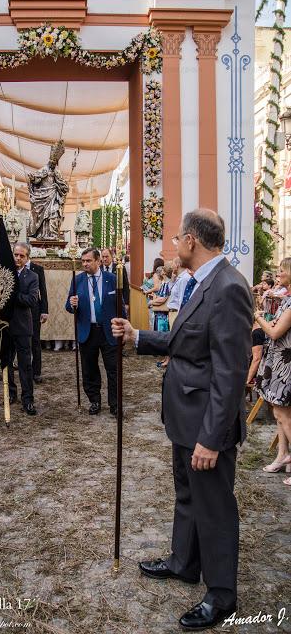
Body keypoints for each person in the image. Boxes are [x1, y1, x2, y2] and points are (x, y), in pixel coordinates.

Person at [112, 209, 253, 631]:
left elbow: (230, 373)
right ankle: (184, 562)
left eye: (176, 239)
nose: (173, 246)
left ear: (192, 240)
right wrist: (138, 337)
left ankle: (221, 594)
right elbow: (184, 342)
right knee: (187, 495)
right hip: (185, 418)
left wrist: (212, 438)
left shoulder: (228, 287)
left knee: (214, 507)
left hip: (207, 424)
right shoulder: (198, 282)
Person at [66, 247, 123, 416]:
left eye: (88, 261)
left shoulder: (112, 279)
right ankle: (94, 401)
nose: (85, 264)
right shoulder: (78, 280)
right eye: (83, 261)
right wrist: (72, 303)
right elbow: (69, 306)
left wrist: (123, 328)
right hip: (87, 331)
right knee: (89, 369)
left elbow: (120, 305)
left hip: (109, 330)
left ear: (98, 261)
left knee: (113, 369)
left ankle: (115, 404)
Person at [254, 257, 291, 485]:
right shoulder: (286, 299)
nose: (277, 274)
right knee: (279, 414)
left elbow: (276, 333)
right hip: (277, 361)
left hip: (285, 365)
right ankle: (282, 456)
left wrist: (258, 318)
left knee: (284, 414)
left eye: (281, 271)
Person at [6, 243, 39, 415]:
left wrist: (12, 295)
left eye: (21, 256)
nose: (18, 258)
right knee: (6, 363)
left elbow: (31, 300)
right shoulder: (4, 273)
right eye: (16, 255)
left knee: (25, 365)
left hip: (23, 326)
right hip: (5, 326)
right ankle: (10, 393)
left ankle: (28, 399)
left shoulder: (32, 276)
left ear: (27, 258)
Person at [27, 251, 49, 384]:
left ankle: (37, 372)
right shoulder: (14, 267)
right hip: (19, 310)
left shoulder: (37, 269)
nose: (18, 258)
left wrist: (44, 310)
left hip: (35, 310)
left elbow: (43, 290)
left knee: (35, 341)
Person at [101, 248, 130, 315]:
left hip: (117, 302)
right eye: (103, 257)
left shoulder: (120, 267)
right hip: (102, 303)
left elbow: (126, 286)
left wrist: (126, 303)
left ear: (112, 256)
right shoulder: (99, 269)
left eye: (107, 256)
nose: (105, 259)